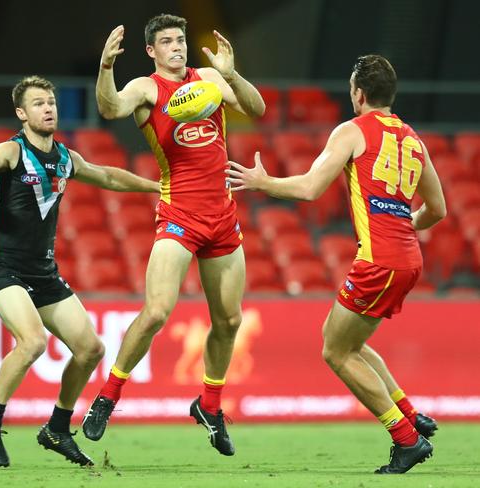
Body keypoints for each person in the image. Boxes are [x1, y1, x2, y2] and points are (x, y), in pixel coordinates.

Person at [226, 54, 446, 474]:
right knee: (346, 341)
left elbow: (309, 188)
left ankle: (406, 439)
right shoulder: (413, 138)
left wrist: (262, 182)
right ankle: (410, 414)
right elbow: (437, 209)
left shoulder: (352, 131)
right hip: (407, 258)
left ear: (359, 94)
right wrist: (406, 227)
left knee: (335, 352)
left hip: (380, 259)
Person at [81, 14, 265, 456]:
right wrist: (106, 68)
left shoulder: (207, 79)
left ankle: (210, 405)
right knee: (158, 311)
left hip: (222, 214)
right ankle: (106, 397)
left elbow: (256, 111)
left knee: (231, 320)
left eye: (180, 40)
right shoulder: (147, 89)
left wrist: (231, 73)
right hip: (179, 213)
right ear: (152, 51)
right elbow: (110, 108)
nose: (176, 48)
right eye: (166, 42)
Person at [0, 75, 159, 468]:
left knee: (91, 349)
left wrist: (159, 186)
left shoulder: (66, 158)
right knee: (32, 343)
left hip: (43, 274)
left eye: (51, 102)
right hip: (3, 270)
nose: (48, 109)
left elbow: (110, 176)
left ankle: (57, 429)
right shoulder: (10, 152)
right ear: (21, 113)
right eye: (38, 104)